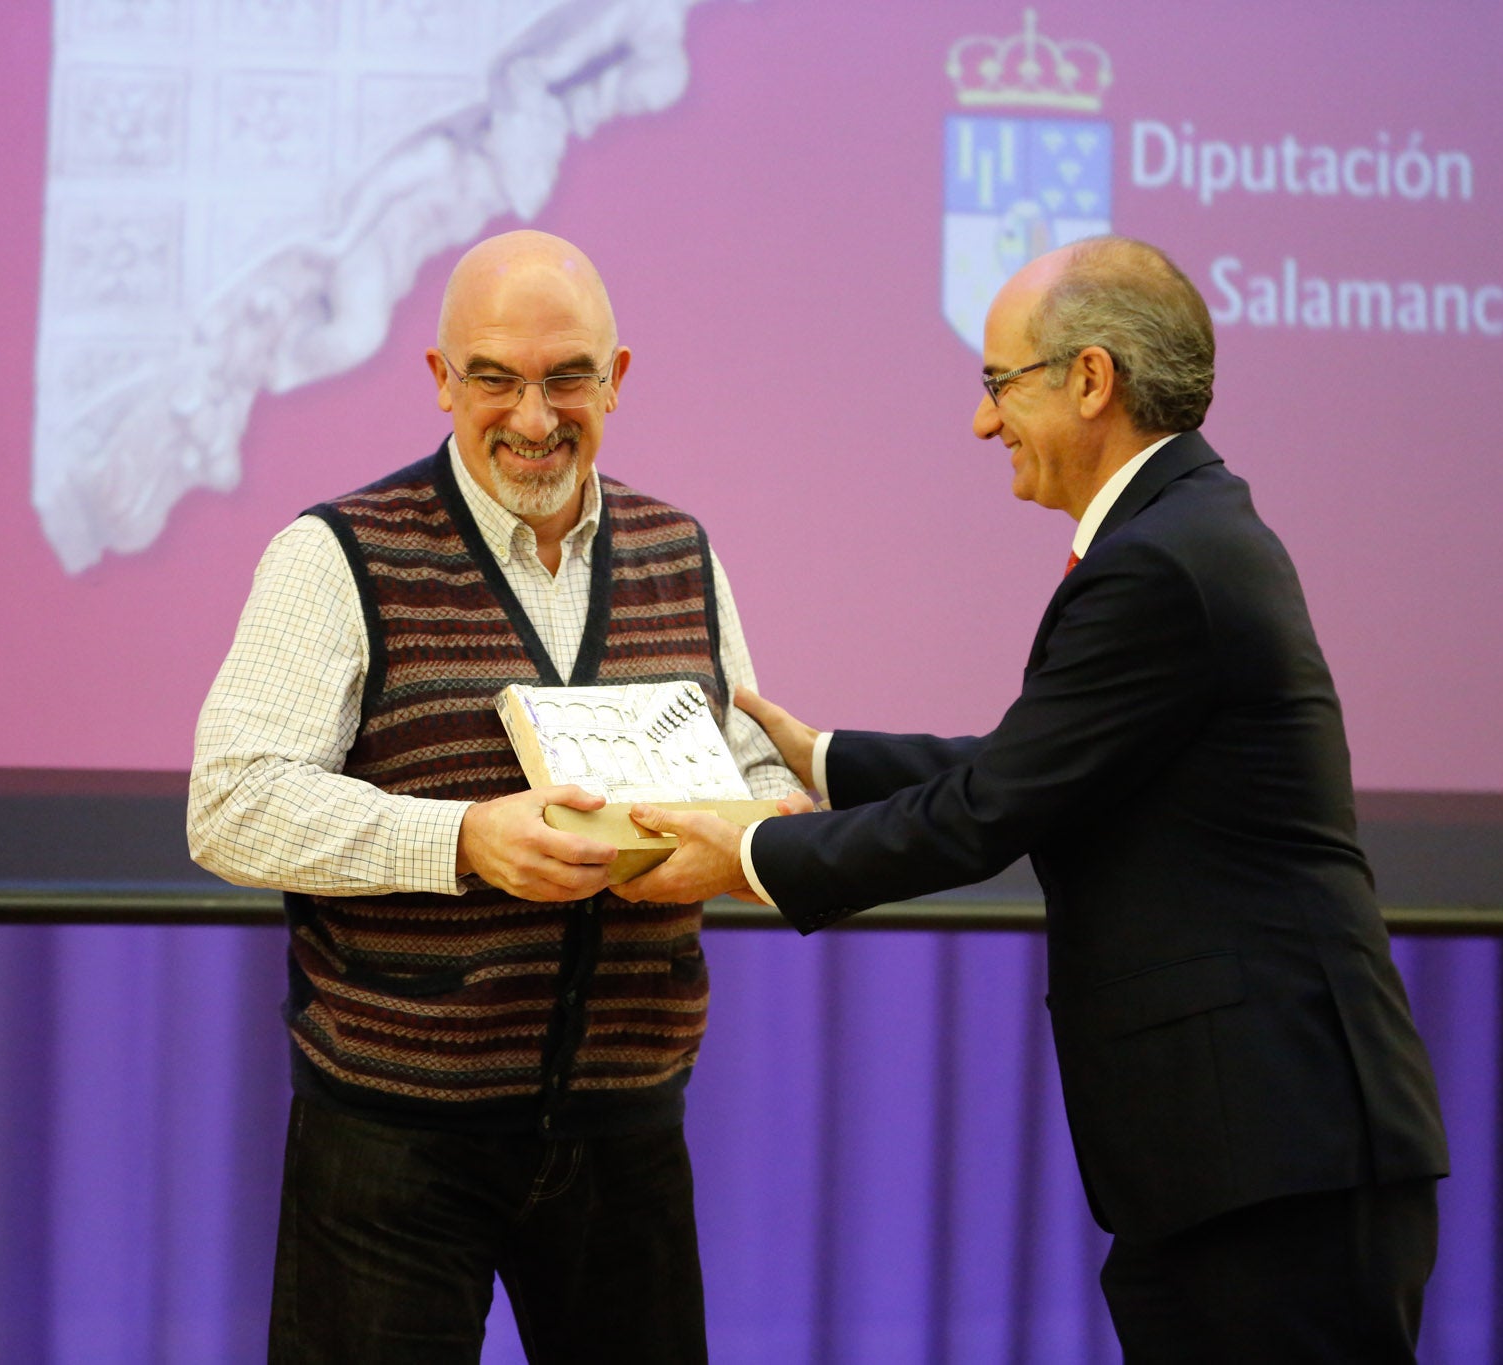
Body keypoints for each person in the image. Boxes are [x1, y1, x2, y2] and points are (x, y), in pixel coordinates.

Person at [616, 236, 1450, 1362]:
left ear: (1090, 380)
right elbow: (1045, 764)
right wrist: (820, 759)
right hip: (1240, 1152)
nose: (980, 422)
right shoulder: (1185, 533)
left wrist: (747, 854)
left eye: (996, 383)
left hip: (1272, 1155)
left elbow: (991, 809)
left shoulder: (1161, 563)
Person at [188, 229, 803, 1363]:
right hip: (392, 1141)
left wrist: (745, 839)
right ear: (438, 380)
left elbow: (757, 775)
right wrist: (464, 840)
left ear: (617, 380)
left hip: (627, 1134)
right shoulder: (337, 555)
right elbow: (229, 804)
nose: (532, 416)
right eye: (494, 379)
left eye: (566, 377)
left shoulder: (682, 553)